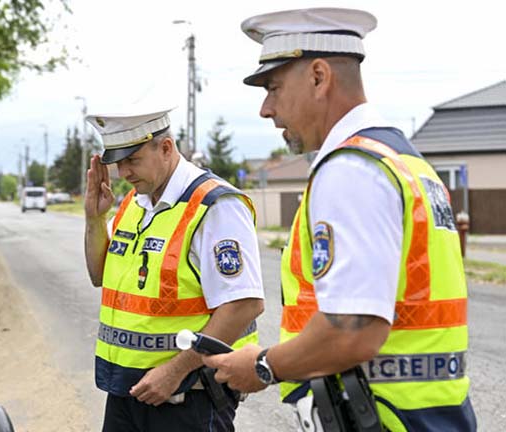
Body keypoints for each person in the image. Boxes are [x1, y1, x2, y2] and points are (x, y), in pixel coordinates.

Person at [203, 8, 476, 432]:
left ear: (318, 76)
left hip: (382, 419)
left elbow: (353, 331)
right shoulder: (402, 160)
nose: (265, 108)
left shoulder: (351, 169)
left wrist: (261, 365)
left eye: (273, 88)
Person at [84, 106, 265, 431]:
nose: (124, 172)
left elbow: (244, 305)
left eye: (132, 160)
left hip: (188, 397)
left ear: (165, 148)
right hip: (127, 392)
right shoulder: (133, 204)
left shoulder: (216, 206)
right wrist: (94, 218)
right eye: (118, 162)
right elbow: (98, 275)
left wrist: (175, 372)